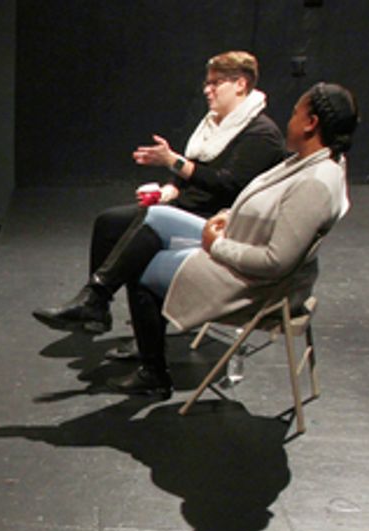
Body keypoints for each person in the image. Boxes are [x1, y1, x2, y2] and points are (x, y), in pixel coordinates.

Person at [102, 82, 358, 398]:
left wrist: (216, 245)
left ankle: (154, 374)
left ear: (311, 123)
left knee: (143, 270)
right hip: (239, 243)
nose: (289, 120)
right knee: (155, 218)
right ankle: (96, 295)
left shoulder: (315, 184)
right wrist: (228, 215)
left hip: (252, 286)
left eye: (295, 113)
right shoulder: (309, 164)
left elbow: (276, 262)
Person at [33, 51, 287, 335]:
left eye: (215, 83)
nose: (207, 89)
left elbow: (226, 184)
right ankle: (97, 308)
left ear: (240, 84)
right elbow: (196, 166)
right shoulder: (214, 123)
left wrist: (173, 161)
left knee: (140, 244)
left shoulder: (260, 133)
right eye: (207, 83)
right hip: (186, 205)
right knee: (109, 222)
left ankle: (100, 301)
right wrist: (170, 187)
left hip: (215, 219)